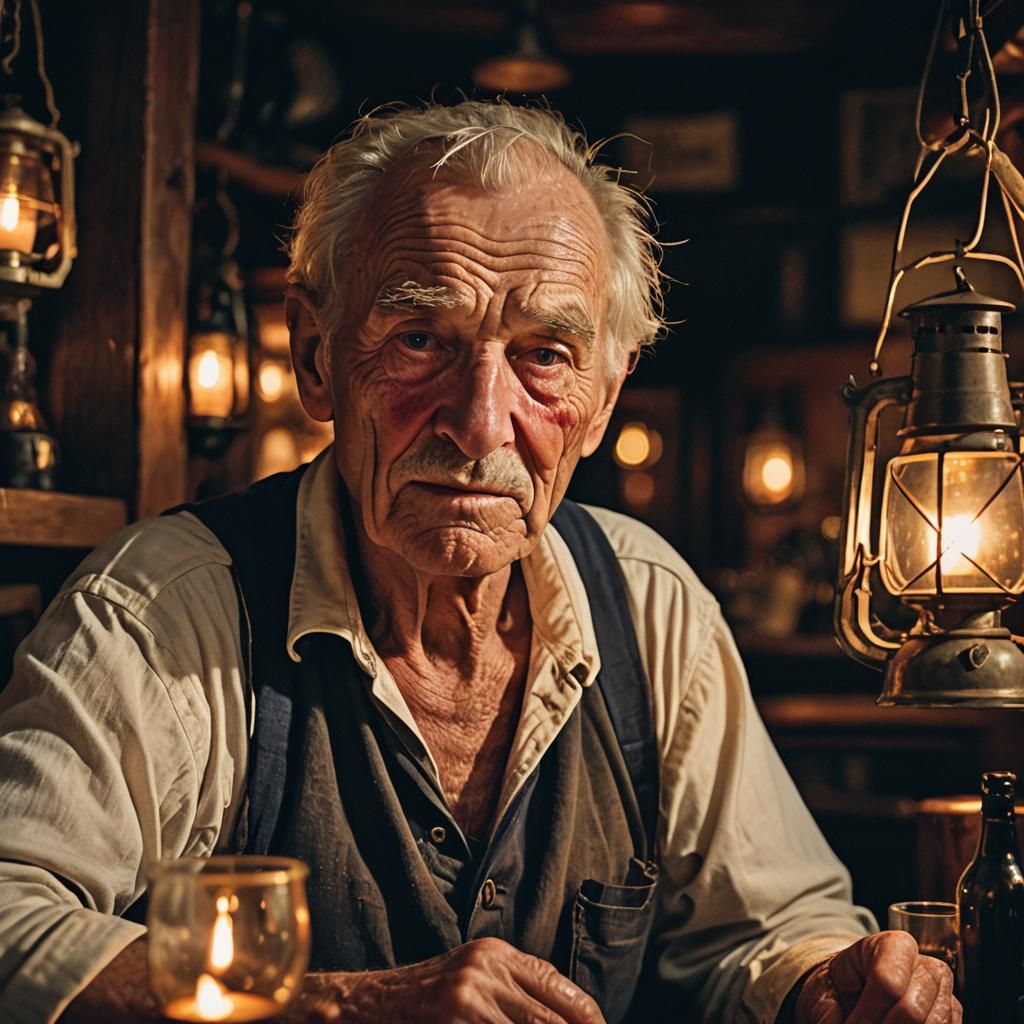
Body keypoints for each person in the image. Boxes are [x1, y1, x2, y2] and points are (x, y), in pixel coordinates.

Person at [0, 100, 958, 1024]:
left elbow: (771, 923)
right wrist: (336, 1006)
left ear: (606, 394)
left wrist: (830, 987)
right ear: (317, 352)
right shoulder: (165, 608)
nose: (478, 421)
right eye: (421, 340)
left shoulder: (649, 602)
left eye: (545, 356)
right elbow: (10, 917)